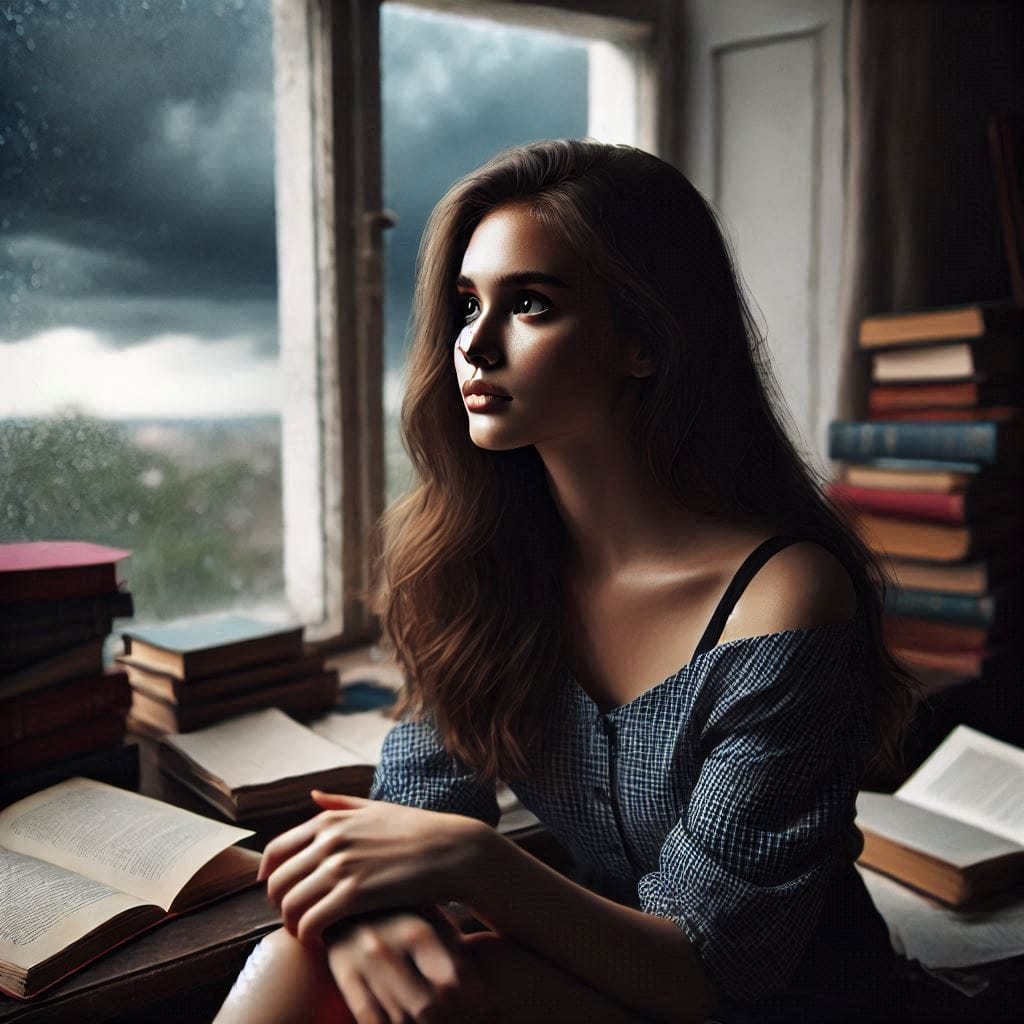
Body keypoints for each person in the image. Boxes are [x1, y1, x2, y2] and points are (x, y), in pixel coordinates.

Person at [215, 139, 918, 1023]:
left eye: (532, 305)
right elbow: (420, 798)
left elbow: (716, 969)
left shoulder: (786, 599)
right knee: (302, 950)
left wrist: (474, 862)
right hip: (603, 973)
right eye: (466, 303)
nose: (473, 343)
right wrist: (360, 912)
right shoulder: (480, 561)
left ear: (644, 340)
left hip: (777, 1002)